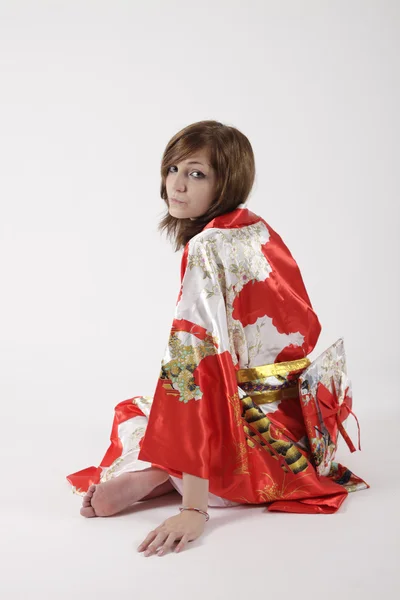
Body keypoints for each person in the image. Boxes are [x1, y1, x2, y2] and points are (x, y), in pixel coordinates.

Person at [66, 120, 369, 556]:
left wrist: (194, 508)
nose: (177, 185)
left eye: (196, 174)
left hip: (254, 444)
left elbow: (197, 368)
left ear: (227, 181)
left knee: (141, 414)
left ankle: (164, 474)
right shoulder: (256, 228)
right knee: (153, 411)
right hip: (300, 433)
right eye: (173, 169)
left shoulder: (207, 246)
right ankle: (165, 471)